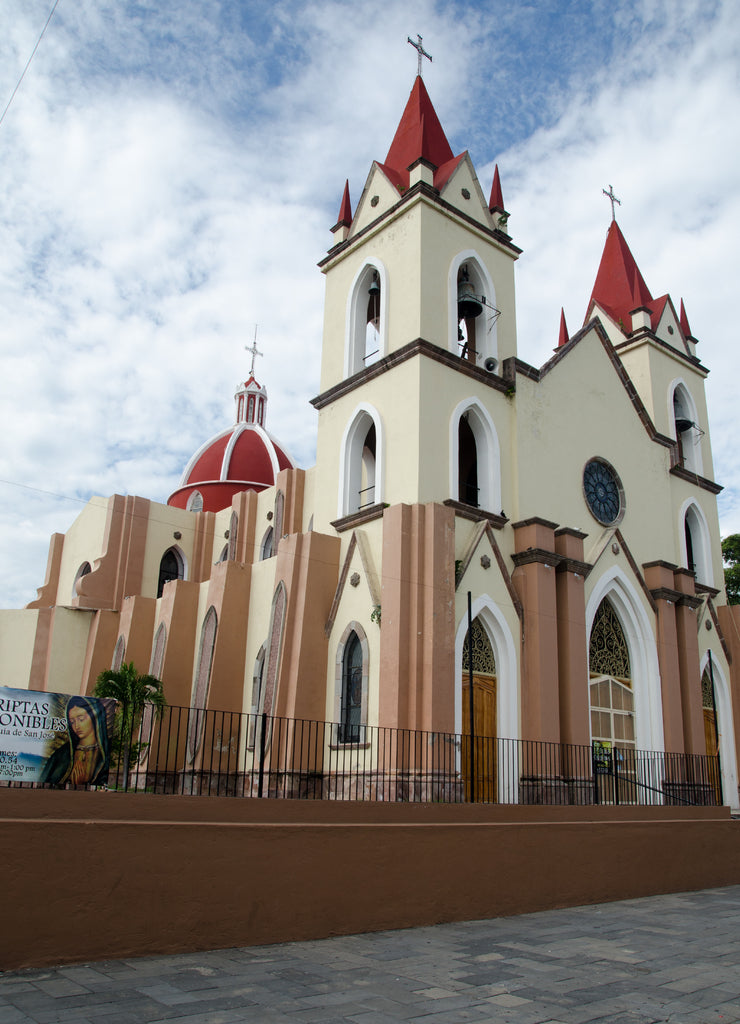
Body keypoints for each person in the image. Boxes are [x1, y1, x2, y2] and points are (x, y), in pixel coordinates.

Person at [40, 696, 111, 787]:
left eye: (81, 719)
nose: (76, 726)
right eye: (72, 722)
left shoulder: (105, 754)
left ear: (95, 718)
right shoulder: (62, 754)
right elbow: (46, 780)